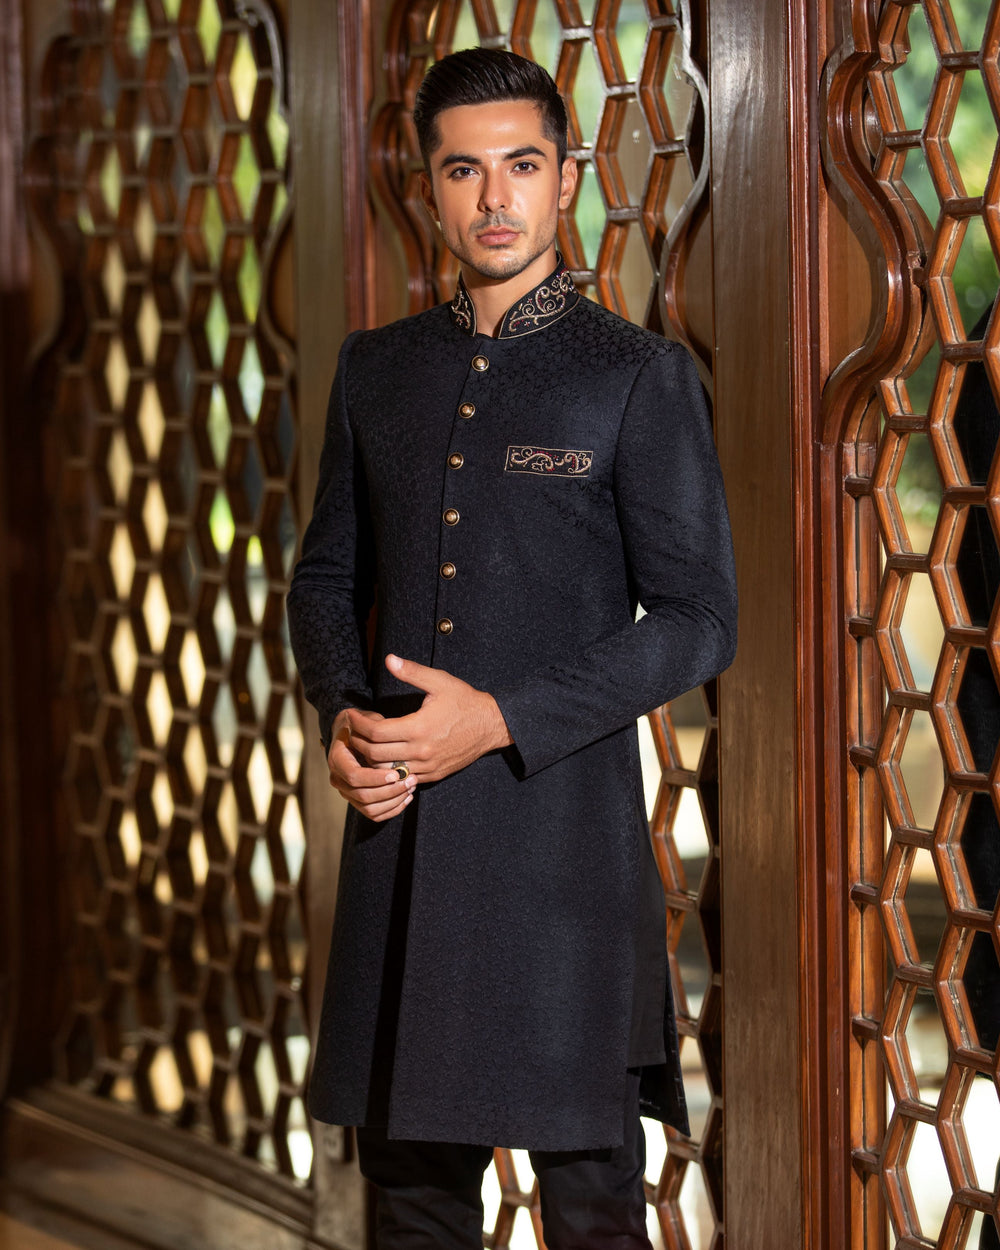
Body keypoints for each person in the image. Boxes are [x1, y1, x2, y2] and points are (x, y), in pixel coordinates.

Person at [287, 47, 737, 1250]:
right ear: (429, 188)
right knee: (413, 1205)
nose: (495, 199)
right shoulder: (375, 371)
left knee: (592, 1206)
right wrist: (342, 711)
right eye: (465, 170)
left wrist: (493, 717)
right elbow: (326, 576)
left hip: (563, 870)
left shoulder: (636, 377)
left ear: (562, 175)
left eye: (521, 165)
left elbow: (701, 619)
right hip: (401, 843)